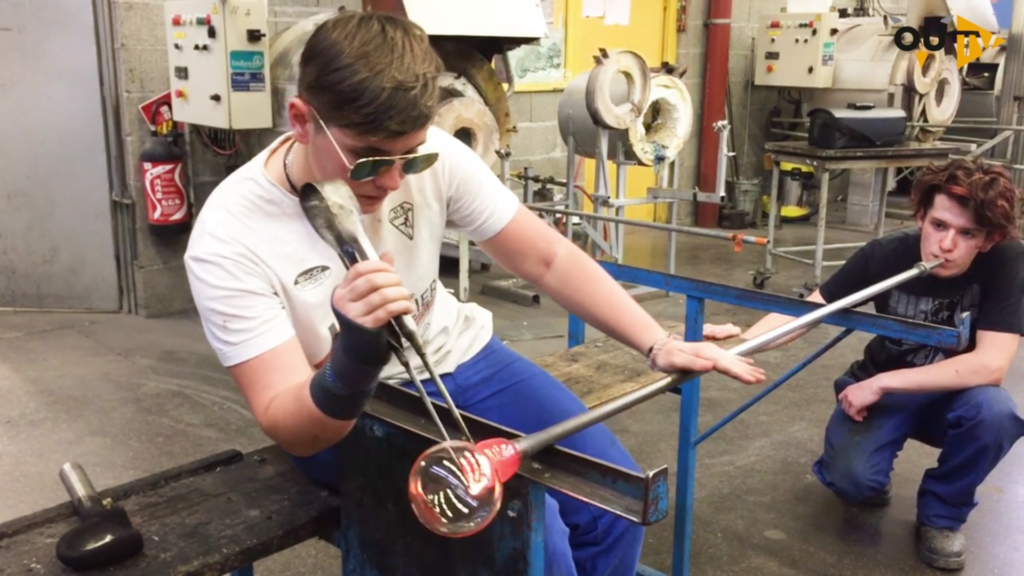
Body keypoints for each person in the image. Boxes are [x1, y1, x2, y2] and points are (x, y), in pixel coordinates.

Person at [183, 10, 766, 575]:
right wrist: (356, 356)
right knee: (538, 547)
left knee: (611, 507)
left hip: (463, 357)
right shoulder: (231, 236)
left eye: (408, 156)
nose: (390, 182)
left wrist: (655, 341)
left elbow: (546, 255)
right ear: (301, 120)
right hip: (351, 405)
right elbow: (289, 422)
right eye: (367, 158)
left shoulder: (437, 156)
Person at [705, 158, 1024, 571]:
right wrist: (742, 343)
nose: (946, 245)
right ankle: (867, 467)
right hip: (883, 391)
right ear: (921, 215)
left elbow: (991, 365)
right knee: (852, 482)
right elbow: (810, 311)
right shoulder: (885, 255)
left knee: (995, 414)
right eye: (939, 225)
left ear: (988, 239)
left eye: (968, 234)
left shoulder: (1006, 261)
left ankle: (942, 516)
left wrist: (884, 383)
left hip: (954, 395)